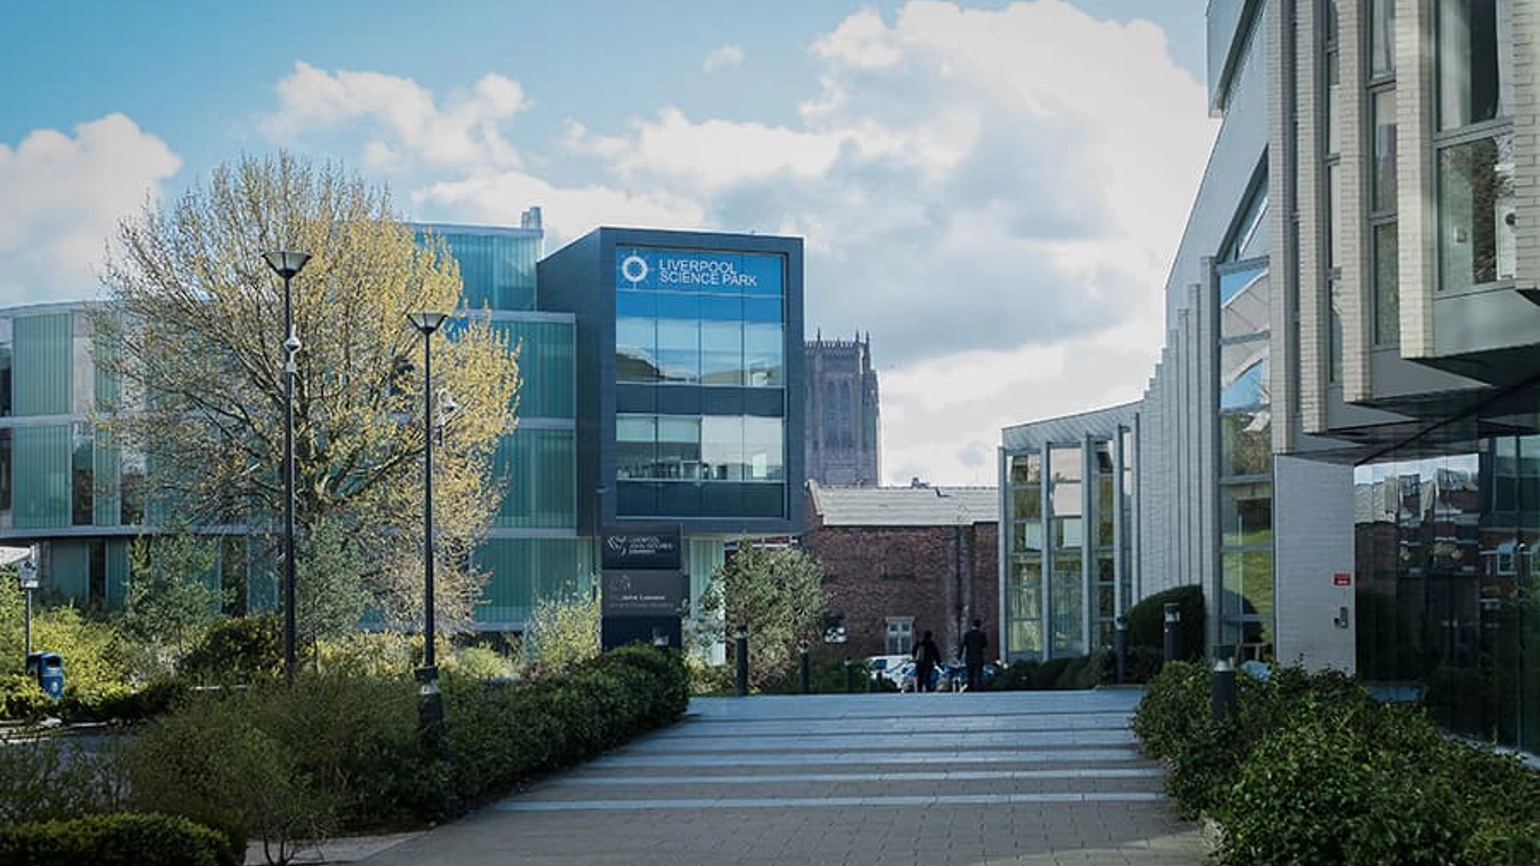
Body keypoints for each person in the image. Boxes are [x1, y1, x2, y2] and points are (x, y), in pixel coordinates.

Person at [959, 619, 989, 691]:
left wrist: (959, 656)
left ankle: (970, 687)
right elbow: (985, 644)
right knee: (978, 674)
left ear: (972, 625)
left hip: (969, 657)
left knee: (970, 674)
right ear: (979, 626)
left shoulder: (967, 634)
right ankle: (979, 688)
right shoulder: (982, 635)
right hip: (979, 656)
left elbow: (963, 645)